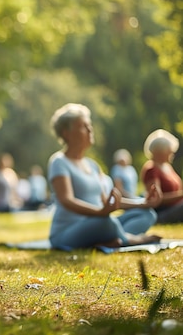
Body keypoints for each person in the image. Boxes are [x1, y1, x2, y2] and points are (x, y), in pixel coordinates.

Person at [47, 103, 161, 250]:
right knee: (106, 222)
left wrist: (144, 202)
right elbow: (67, 200)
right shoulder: (59, 161)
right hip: (68, 232)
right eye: (83, 126)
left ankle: (113, 239)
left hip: (99, 221)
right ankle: (130, 239)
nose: (90, 130)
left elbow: (107, 201)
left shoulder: (92, 165)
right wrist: (100, 212)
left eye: (89, 125)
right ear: (66, 133)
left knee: (147, 214)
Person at [140, 129, 183, 224]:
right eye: (169, 150)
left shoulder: (168, 167)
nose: (172, 153)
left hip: (175, 207)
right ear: (160, 152)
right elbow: (157, 199)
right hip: (162, 213)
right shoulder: (151, 169)